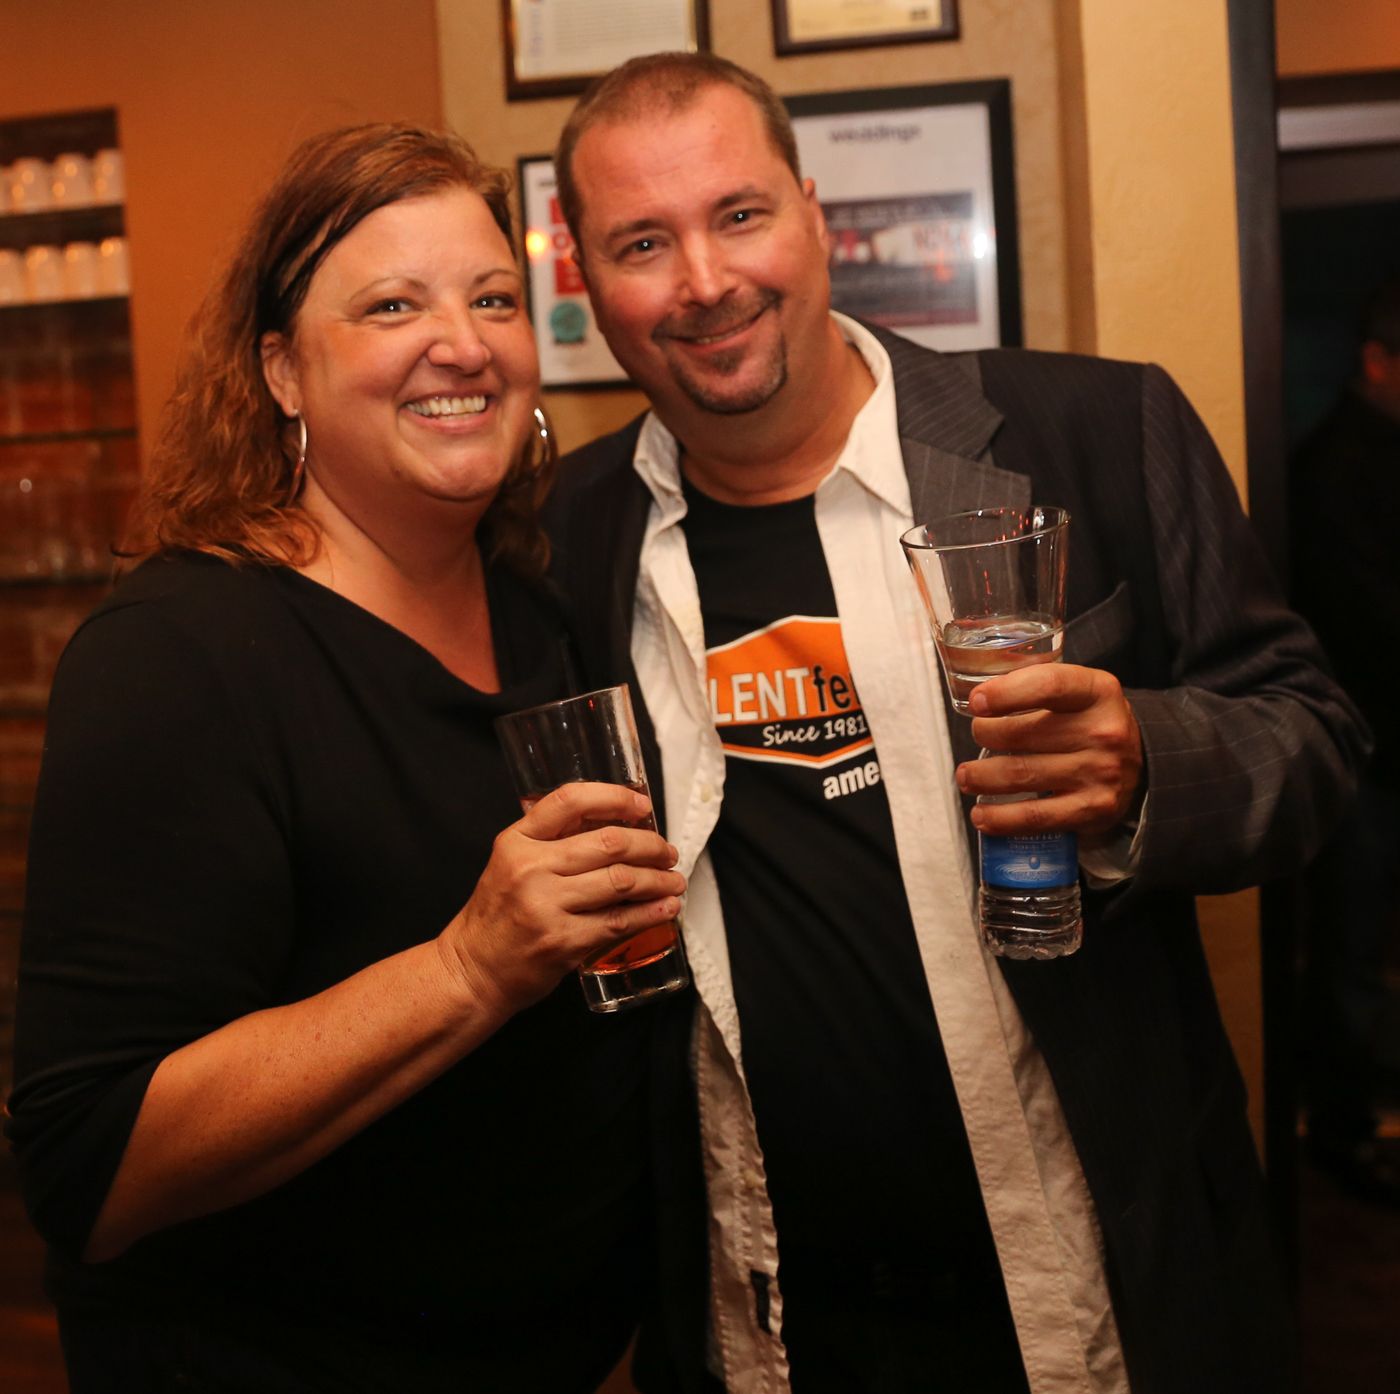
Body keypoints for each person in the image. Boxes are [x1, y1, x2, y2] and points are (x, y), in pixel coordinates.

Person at [543, 53, 1370, 1394]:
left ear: (812, 213)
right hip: (769, 1305)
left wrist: (1144, 762)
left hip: (1090, 1276)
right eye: (642, 242)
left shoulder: (1093, 428)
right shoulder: (569, 535)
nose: (703, 280)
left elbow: (1312, 737)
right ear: (584, 278)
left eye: (739, 214)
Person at [4, 123, 686, 1394]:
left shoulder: (539, 611)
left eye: (493, 299)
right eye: (391, 306)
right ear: (282, 370)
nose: (462, 343)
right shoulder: (179, 653)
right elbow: (91, 1160)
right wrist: (467, 966)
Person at [1290, 277, 1400, 1206]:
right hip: (1364, 749)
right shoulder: (1333, 466)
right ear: (1376, 361)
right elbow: (1364, 621)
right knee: (1351, 948)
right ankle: (1344, 1130)